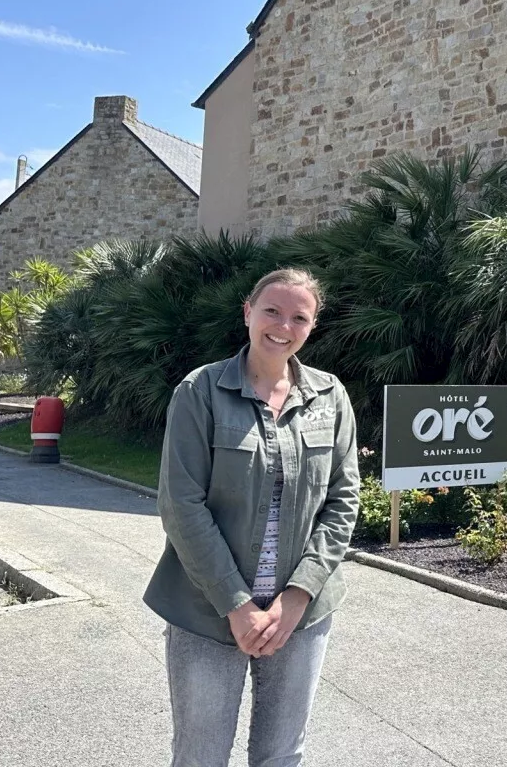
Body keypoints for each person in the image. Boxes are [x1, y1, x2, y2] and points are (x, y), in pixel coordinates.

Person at [144, 267, 360, 767]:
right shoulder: (200, 391)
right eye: (272, 311)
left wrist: (298, 594)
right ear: (247, 312)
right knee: (200, 757)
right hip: (207, 612)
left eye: (299, 317)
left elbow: (343, 500)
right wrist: (237, 604)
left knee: (282, 755)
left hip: (299, 618)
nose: (283, 325)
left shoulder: (331, 397)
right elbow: (181, 505)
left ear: (311, 327)